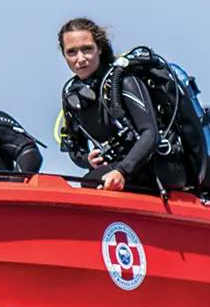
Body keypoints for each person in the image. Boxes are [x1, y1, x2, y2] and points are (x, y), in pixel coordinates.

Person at [54, 17, 160, 192]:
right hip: (115, 171)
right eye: (72, 52)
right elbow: (75, 146)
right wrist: (87, 158)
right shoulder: (72, 96)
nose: (80, 59)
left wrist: (122, 171)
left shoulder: (123, 81)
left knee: (92, 181)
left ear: (100, 49)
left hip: (153, 166)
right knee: (91, 179)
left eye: (87, 49)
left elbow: (151, 134)